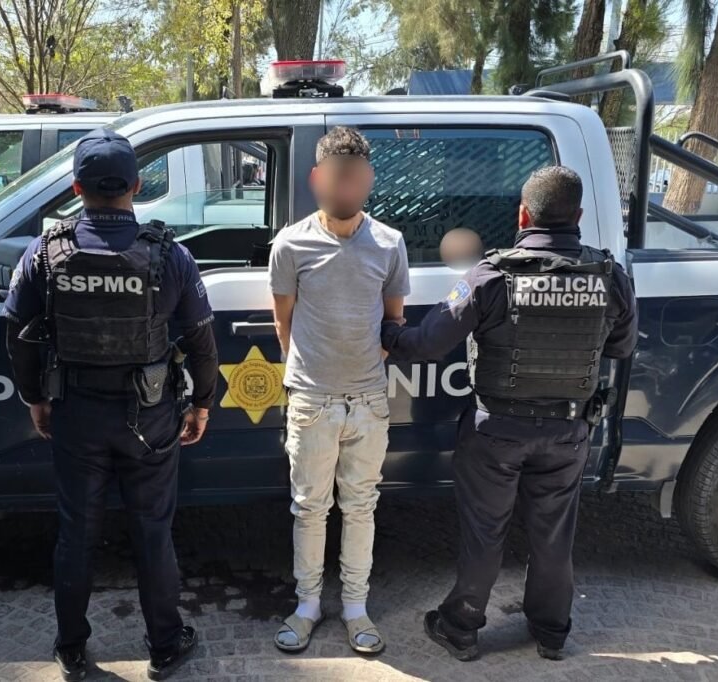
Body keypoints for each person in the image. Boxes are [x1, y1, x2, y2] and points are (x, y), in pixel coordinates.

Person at [381, 166, 638, 662]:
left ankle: (461, 627)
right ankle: (552, 632)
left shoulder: (492, 276)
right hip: (568, 429)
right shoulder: (610, 276)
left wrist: (386, 332)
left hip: (496, 432)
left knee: (485, 534)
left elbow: (427, 343)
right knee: (554, 535)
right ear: (578, 217)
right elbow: (621, 348)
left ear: (523, 215)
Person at [4, 129, 218, 682]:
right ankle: (165, 645)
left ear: (76, 188)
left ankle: (71, 648)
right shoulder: (171, 253)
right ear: (137, 185)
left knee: (76, 532)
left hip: (76, 411)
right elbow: (200, 340)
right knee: (152, 530)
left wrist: (34, 398)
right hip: (151, 416)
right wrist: (201, 404)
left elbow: (19, 335)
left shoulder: (45, 251)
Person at [269, 126, 410, 655]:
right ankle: (307, 605)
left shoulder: (390, 243)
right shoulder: (290, 243)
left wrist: (361, 369)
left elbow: (393, 322)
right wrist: (310, 375)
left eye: (356, 177)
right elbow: (283, 321)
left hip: (369, 403)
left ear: (369, 179)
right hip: (312, 401)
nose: (346, 187)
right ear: (318, 179)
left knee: (360, 508)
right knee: (309, 509)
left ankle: (355, 606)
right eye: (337, 177)